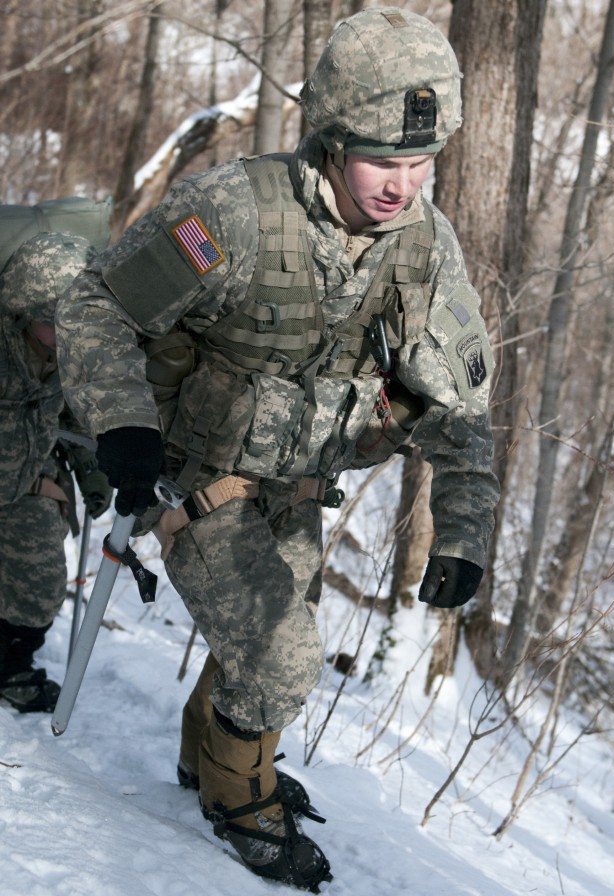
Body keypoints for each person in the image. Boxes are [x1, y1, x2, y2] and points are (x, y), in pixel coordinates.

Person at [56, 7, 500, 891]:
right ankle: (236, 799)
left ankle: (212, 761)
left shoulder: (422, 246)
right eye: (382, 160)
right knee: (282, 654)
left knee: (259, 640)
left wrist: (462, 532)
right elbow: (93, 305)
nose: (401, 186)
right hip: (193, 475)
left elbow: (460, 397)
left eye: (420, 164)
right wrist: (124, 423)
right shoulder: (230, 213)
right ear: (330, 142)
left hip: (296, 486)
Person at [0, 232, 113, 714]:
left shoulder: (68, 352)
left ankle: (9, 668)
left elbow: (73, 414)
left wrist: (93, 471)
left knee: (42, 582)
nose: (70, 332)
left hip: (24, 483)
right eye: (57, 321)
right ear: (25, 311)